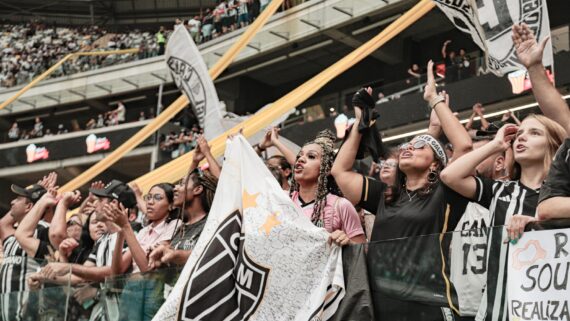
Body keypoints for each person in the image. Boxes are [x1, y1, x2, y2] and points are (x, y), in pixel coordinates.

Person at [331, 61, 473, 320]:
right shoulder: (386, 194)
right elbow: (340, 172)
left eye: (420, 147)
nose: (409, 147)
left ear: (436, 164)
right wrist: (360, 125)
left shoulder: (446, 193)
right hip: (382, 305)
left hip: (430, 304)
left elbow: (464, 147)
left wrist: (434, 101)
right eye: (407, 145)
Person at [105, 182, 181, 321]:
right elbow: (116, 271)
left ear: (171, 205)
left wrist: (127, 227)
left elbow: (147, 268)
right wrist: (121, 232)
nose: (150, 202)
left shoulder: (174, 226)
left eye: (158, 198)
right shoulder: (143, 231)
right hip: (130, 290)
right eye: (149, 197)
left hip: (151, 291)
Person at [289, 130, 366, 246]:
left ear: (327, 168)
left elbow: (363, 249)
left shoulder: (341, 206)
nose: (300, 159)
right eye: (299, 156)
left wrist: (348, 242)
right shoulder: (283, 201)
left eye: (311, 156)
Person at [148, 150, 219, 269]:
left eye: (181, 184)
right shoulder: (181, 229)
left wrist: (178, 255)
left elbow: (211, 257)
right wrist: (161, 262)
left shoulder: (212, 225)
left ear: (197, 190)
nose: (174, 188)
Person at [0, 175, 54, 321]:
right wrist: (34, 190)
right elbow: (3, 224)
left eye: (18, 199)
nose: (12, 201)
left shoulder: (44, 231)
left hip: (31, 314)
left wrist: (39, 202)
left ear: (29, 206)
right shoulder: (13, 235)